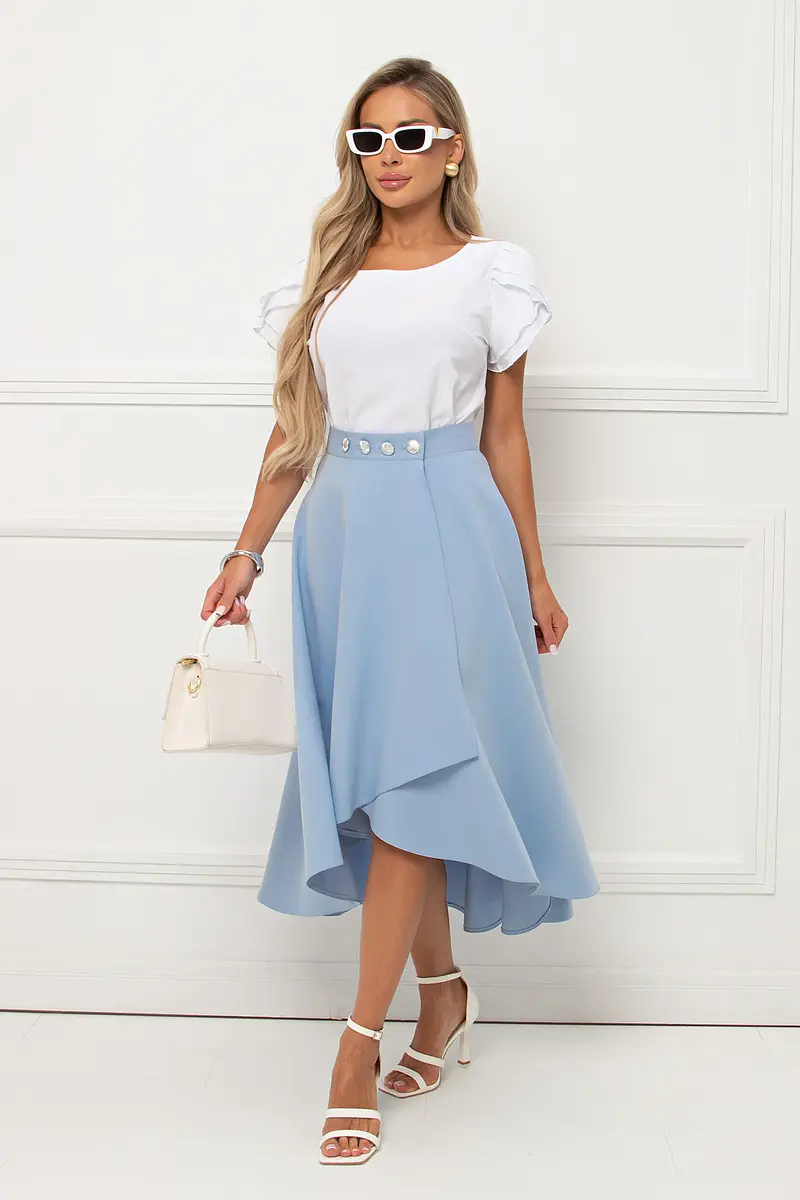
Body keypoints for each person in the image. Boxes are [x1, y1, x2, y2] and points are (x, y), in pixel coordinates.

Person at [201, 55, 599, 1166]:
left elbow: (505, 434)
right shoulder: (327, 277)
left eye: (410, 136)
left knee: (418, 775)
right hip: (344, 538)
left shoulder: (491, 274)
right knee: (389, 791)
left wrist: (534, 572)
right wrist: (247, 549)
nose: (387, 157)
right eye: (368, 139)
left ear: (451, 150)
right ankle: (445, 995)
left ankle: (354, 1045)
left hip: (451, 527)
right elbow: (297, 429)